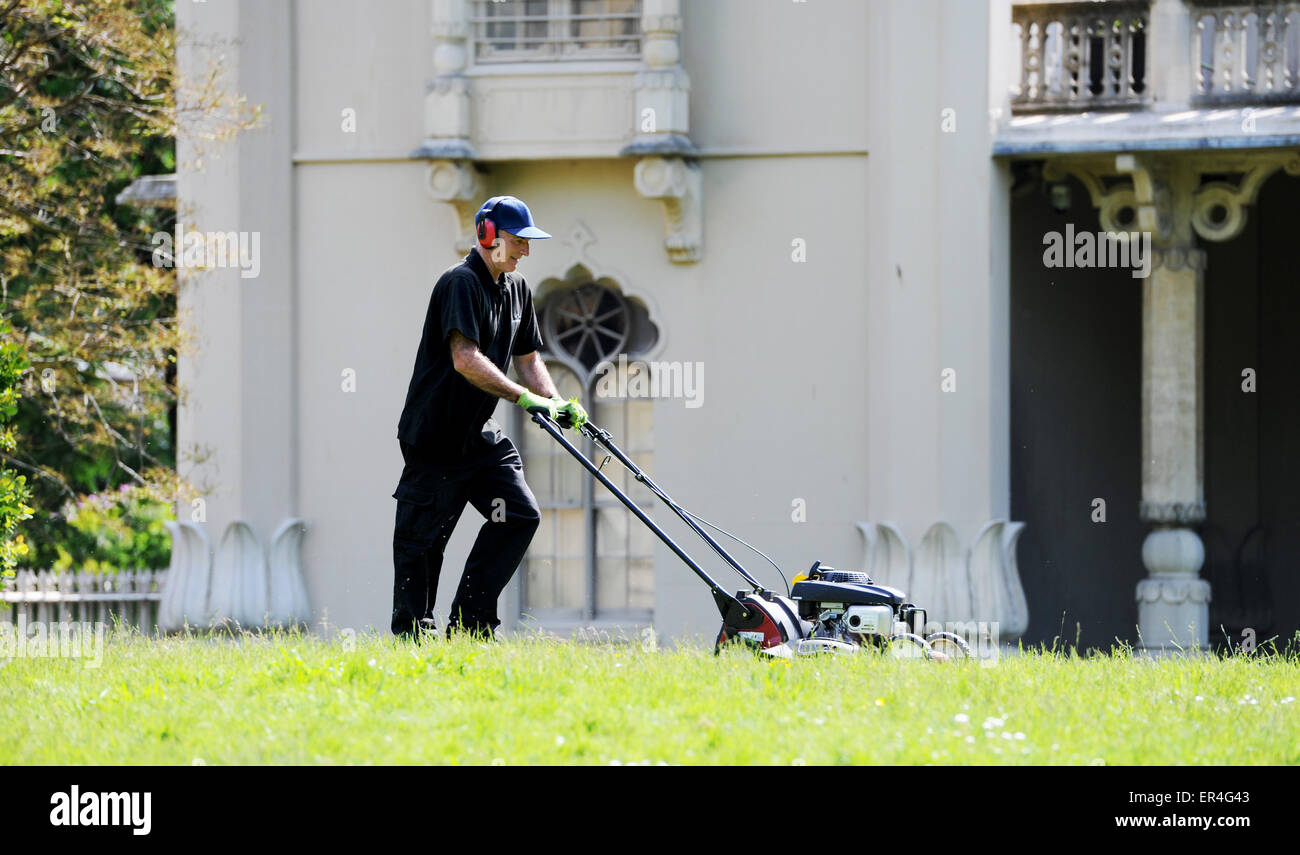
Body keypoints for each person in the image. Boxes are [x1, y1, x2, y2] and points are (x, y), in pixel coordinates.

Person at [391, 195, 587, 641]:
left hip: (479, 440)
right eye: (519, 241)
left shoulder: (517, 289)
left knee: (517, 515)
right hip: (435, 441)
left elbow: (528, 358)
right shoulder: (459, 283)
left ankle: (470, 626)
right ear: (487, 235)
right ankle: (412, 638)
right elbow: (465, 359)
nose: (526, 251)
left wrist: (556, 402)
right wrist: (525, 400)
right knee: (424, 546)